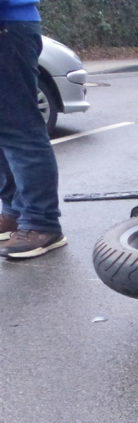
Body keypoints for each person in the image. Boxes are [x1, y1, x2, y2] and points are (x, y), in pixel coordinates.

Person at [0, 0, 67, 259]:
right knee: (6, 130)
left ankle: (42, 224)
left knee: (20, 129)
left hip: (7, 25)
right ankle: (14, 213)